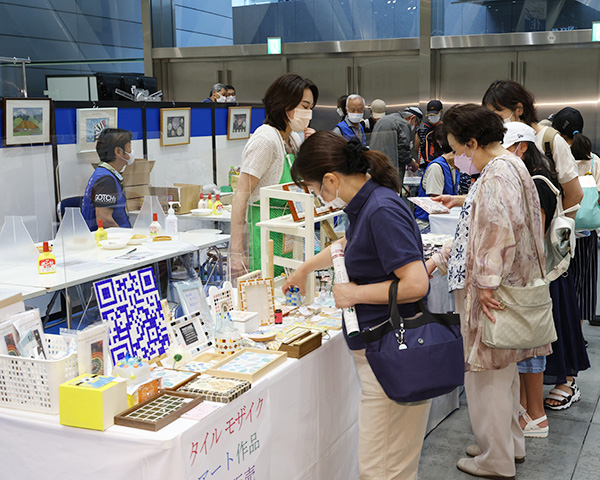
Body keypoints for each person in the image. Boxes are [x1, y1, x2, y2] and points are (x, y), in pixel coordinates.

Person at [283, 131, 431, 480]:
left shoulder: (380, 208)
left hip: (391, 349)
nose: (318, 196)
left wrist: (354, 294)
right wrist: (304, 268)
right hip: (385, 347)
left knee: (379, 466)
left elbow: (415, 282)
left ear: (331, 179)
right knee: (391, 461)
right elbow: (351, 243)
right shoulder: (369, 203)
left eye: (315, 188)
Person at [426, 104, 552, 479]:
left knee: (485, 376)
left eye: (459, 150)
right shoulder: (510, 164)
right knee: (504, 373)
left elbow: (497, 232)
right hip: (512, 286)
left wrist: (484, 285)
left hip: (493, 290)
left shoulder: (496, 174)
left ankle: (494, 458)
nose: (458, 159)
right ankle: (507, 445)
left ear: (474, 142)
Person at [230, 73, 318, 274]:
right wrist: (236, 250)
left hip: (286, 231)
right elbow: (241, 195)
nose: (308, 113)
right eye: (304, 107)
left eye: (311, 108)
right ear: (285, 104)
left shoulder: (293, 139)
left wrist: (313, 145)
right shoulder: (265, 140)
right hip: (262, 233)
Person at [482, 80, 583, 216]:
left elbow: (575, 194)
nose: (496, 122)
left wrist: (556, 227)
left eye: (499, 116)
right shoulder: (498, 141)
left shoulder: (549, 140)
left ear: (519, 109)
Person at [552, 107, 600, 326]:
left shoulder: (559, 156)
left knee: (561, 276)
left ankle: (562, 328)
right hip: (588, 231)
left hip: (562, 229)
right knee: (584, 282)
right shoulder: (594, 161)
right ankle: (578, 331)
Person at [81, 128, 133, 231]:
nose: (131, 151)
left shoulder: (104, 174)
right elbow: (104, 220)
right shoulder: (106, 180)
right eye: (129, 147)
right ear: (119, 151)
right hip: (111, 241)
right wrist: (124, 238)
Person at [414, 123, 459, 231]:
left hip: (443, 220)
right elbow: (435, 202)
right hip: (428, 223)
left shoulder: (454, 167)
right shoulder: (437, 167)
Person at [370, 106, 422, 186]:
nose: (414, 127)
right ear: (412, 118)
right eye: (416, 124)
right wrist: (412, 164)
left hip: (375, 168)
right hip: (390, 173)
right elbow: (402, 153)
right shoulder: (403, 123)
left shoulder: (383, 120)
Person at [415, 100, 444, 165]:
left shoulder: (421, 127)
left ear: (441, 112)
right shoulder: (421, 128)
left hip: (431, 163)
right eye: (431, 115)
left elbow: (416, 147)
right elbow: (416, 147)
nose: (433, 117)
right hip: (428, 163)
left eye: (435, 114)